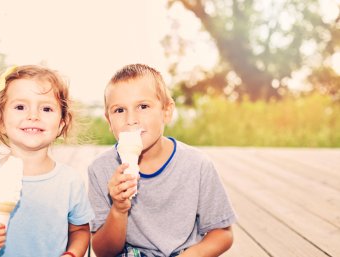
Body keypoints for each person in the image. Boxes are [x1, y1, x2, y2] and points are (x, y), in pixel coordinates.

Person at [88, 64, 236, 257]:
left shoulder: (197, 165)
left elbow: (223, 234)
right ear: (109, 121)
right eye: (119, 110)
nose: (131, 119)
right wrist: (118, 208)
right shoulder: (100, 169)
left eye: (143, 106)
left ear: (166, 111)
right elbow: (103, 251)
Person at [0, 65, 94, 257]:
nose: (33, 116)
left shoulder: (70, 182)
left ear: (61, 124)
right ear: (1, 122)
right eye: (20, 107)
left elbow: (79, 231)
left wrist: (72, 254)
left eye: (46, 108)